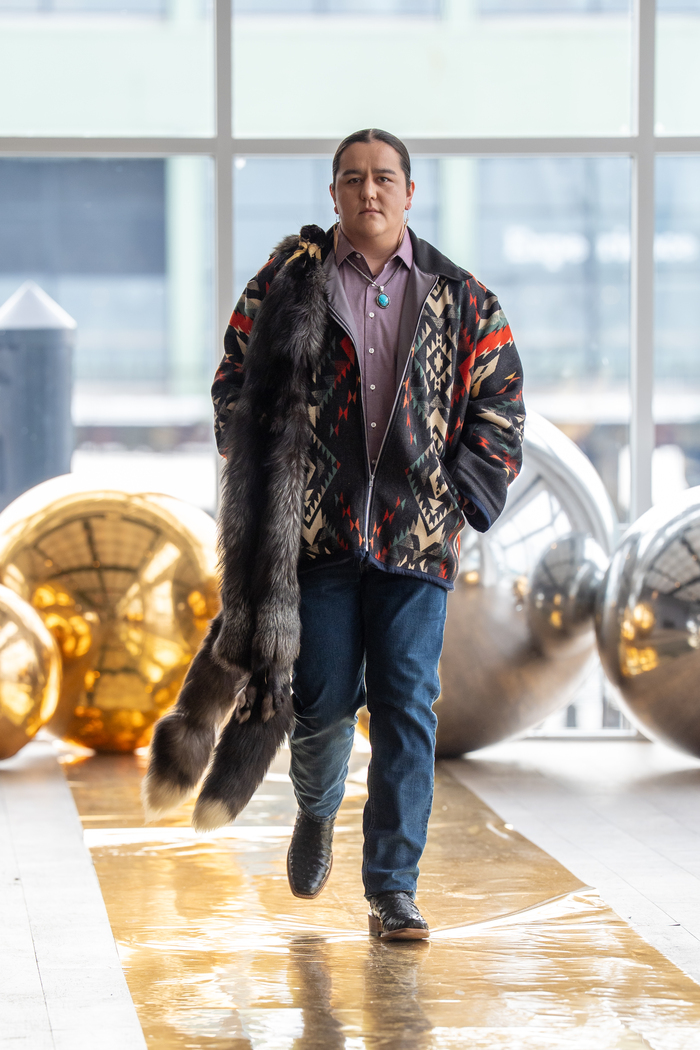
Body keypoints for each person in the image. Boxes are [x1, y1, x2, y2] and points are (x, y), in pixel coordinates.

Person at [144, 129, 524, 942]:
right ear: (334, 194)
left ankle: (393, 889)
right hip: (316, 536)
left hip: (416, 543)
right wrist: (258, 458)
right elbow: (233, 376)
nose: (368, 192)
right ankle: (315, 812)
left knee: (406, 707)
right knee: (316, 699)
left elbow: (502, 402)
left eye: (383, 178)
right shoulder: (287, 283)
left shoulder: (463, 298)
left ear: (410, 192)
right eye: (352, 179)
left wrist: (457, 495)